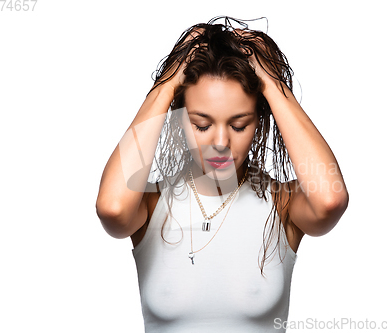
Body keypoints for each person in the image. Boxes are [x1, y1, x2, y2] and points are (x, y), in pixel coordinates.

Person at [96, 16, 349, 332]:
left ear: (259, 120)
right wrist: (166, 86)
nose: (220, 143)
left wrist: (272, 84)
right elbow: (112, 208)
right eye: (201, 124)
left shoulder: (282, 205)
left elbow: (330, 200)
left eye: (238, 125)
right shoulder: (150, 204)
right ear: (178, 118)